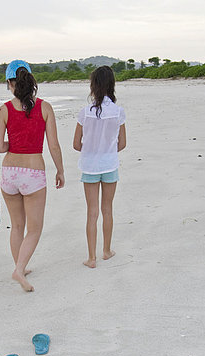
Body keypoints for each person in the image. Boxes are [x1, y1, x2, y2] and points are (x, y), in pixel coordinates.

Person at [0, 59, 65, 292]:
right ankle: (19, 269)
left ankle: (20, 267)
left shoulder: (4, 109)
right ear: (31, 81)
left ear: (10, 83)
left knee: (17, 226)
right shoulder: (44, 108)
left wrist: (14, 143)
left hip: (9, 171)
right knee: (34, 229)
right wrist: (60, 170)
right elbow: (53, 145)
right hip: (33, 171)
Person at [73, 65, 126, 268]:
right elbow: (122, 143)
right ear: (111, 85)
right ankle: (106, 250)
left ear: (93, 86)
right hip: (110, 164)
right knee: (108, 209)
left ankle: (91, 258)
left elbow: (76, 144)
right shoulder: (118, 112)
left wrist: (92, 149)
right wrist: (107, 149)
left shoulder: (85, 112)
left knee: (92, 212)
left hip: (89, 166)